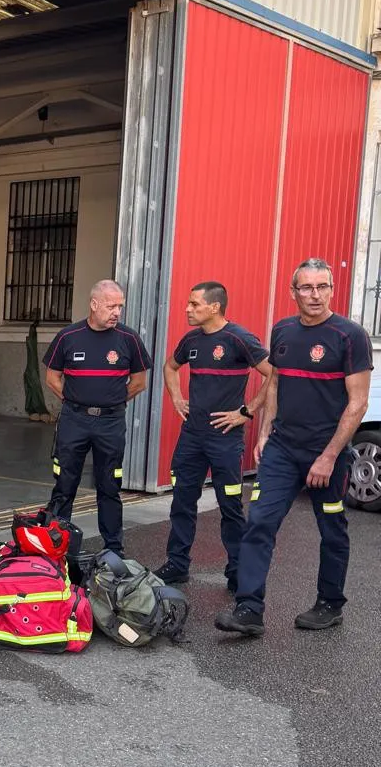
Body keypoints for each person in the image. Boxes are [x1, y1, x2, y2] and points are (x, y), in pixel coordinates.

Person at [216, 259, 372, 636]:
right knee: (260, 522)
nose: (315, 295)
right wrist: (265, 434)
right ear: (293, 292)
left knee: (332, 528)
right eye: (306, 287)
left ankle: (330, 603)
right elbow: (275, 385)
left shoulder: (351, 336)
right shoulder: (283, 330)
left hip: (327, 455)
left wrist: (330, 456)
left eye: (322, 287)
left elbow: (358, 403)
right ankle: (249, 609)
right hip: (283, 451)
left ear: (333, 290)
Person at [157, 282, 272, 590]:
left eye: (194, 304)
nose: (187, 309)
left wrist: (246, 412)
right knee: (182, 502)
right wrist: (177, 398)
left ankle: (237, 570)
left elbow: (274, 373)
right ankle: (177, 564)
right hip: (192, 436)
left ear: (214, 307)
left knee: (230, 506)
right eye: (188, 303)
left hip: (225, 439)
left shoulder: (239, 338)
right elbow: (170, 367)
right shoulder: (191, 340)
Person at [42, 279, 152, 555]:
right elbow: (52, 377)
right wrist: (76, 400)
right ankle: (57, 547)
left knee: (109, 486)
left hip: (110, 423)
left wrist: (110, 401)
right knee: (65, 483)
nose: (117, 312)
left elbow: (139, 382)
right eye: (111, 306)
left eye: (120, 307)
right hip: (73, 420)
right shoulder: (68, 336)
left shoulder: (129, 339)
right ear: (94, 304)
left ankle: (113, 548)